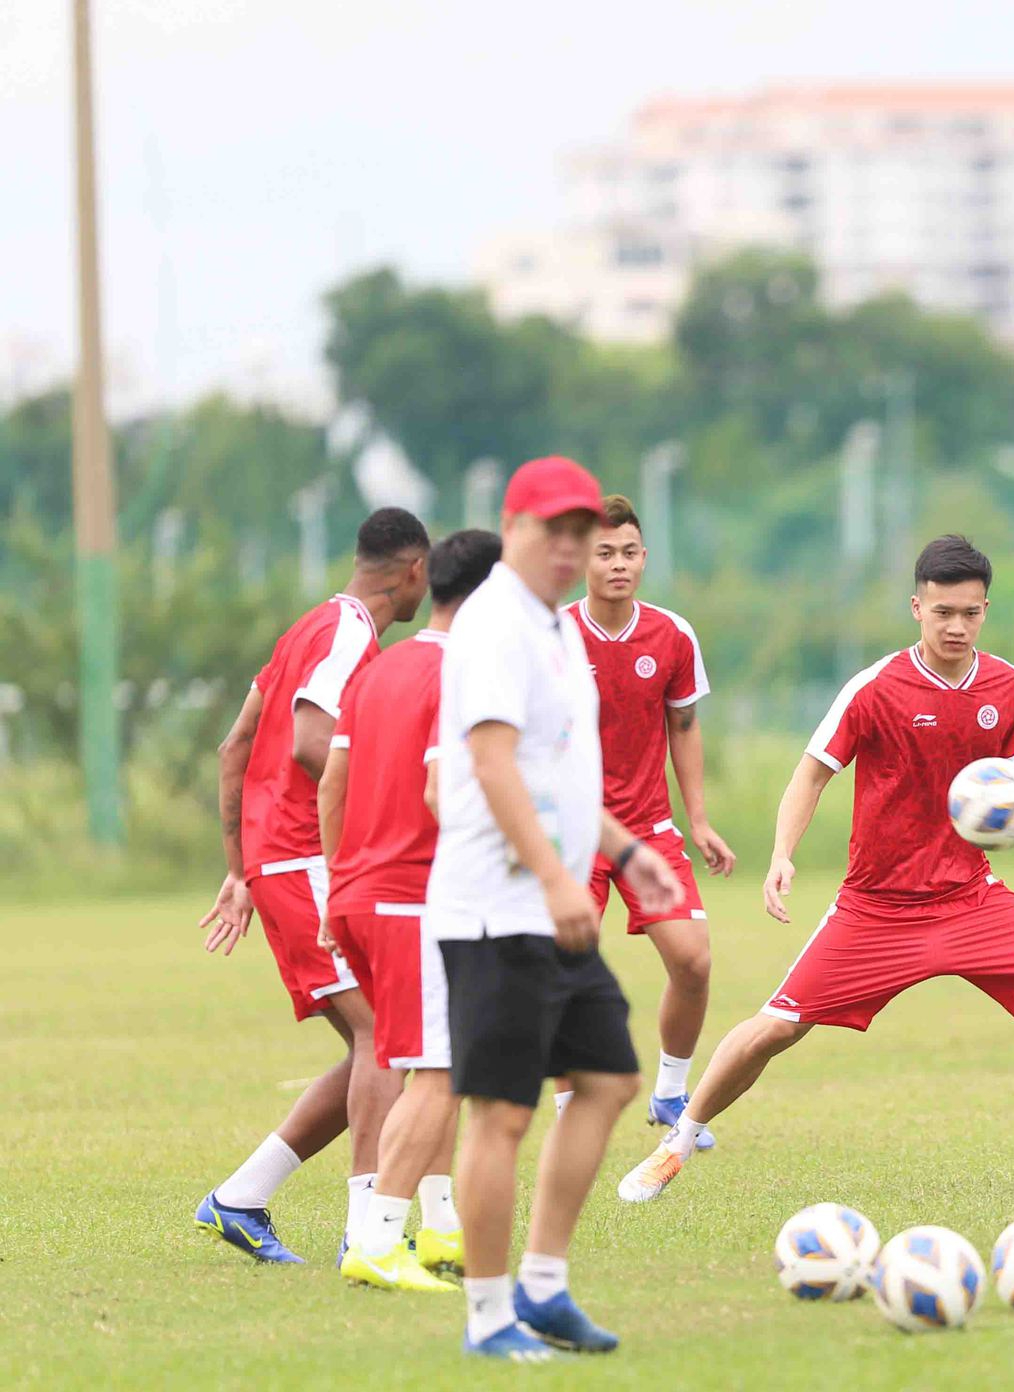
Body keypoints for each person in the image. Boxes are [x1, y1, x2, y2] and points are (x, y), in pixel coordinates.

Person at [617, 534, 1014, 1206]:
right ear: (916, 607)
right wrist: (781, 855)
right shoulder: (876, 689)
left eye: (970, 613)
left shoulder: (1006, 686)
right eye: (942, 611)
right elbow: (812, 772)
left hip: (971, 899)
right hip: (877, 909)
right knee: (779, 1026)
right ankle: (675, 1145)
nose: (956, 626)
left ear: (985, 611)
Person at [424, 457, 683, 1360]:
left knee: (610, 1080)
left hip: (549, 904)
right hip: (499, 911)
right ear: (514, 526)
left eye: (584, 534)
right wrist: (554, 878)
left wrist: (623, 851)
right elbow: (492, 765)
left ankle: (542, 1288)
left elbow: (558, 769)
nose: (573, 550)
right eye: (556, 532)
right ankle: (488, 1315)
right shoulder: (496, 621)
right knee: (500, 1113)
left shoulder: (554, 627)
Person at [195, 507, 431, 1264]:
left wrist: (240, 867)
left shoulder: (307, 628)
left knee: (379, 1040)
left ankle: (240, 1198)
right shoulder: (351, 634)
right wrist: (375, 808)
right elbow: (306, 742)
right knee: (384, 1037)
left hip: (283, 862)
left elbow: (236, 745)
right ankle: (366, 1231)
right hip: (307, 862)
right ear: (416, 573)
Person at [318, 528, 501, 1292]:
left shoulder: (379, 670)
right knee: (442, 1074)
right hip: (415, 896)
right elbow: (440, 794)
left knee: (429, 1063)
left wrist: (335, 889)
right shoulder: (464, 672)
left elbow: (332, 784)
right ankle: (377, 1238)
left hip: (360, 894)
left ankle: (439, 1228)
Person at [562, 494, 733, 1140]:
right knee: (562, 963)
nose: (618, 565)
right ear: (582, 557)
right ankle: (564, 1108)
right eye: (604, 553)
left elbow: (683, 726)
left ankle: (669, 1093)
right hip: (570, 832)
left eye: (629, 552)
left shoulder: (671, 635)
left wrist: (700, 820)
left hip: (649, 829)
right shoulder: (556, 637)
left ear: (645, 557)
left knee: (693, 961)